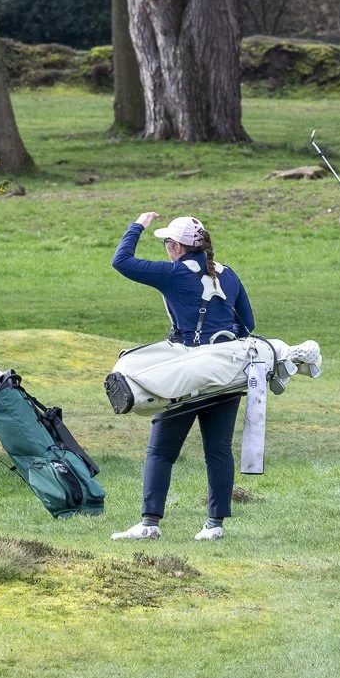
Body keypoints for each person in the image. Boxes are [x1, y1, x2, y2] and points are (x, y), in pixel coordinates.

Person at [108, 211, 254, 541]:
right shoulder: (228, 275)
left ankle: (150, 522)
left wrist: (138, 226)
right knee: (218, 450)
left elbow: (122, 261)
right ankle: (215, 526)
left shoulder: (174, 274)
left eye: (166, 244)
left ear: (176, 246)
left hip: (185, 373)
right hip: (226, 373)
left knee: (160, 451)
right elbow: (247, 324)